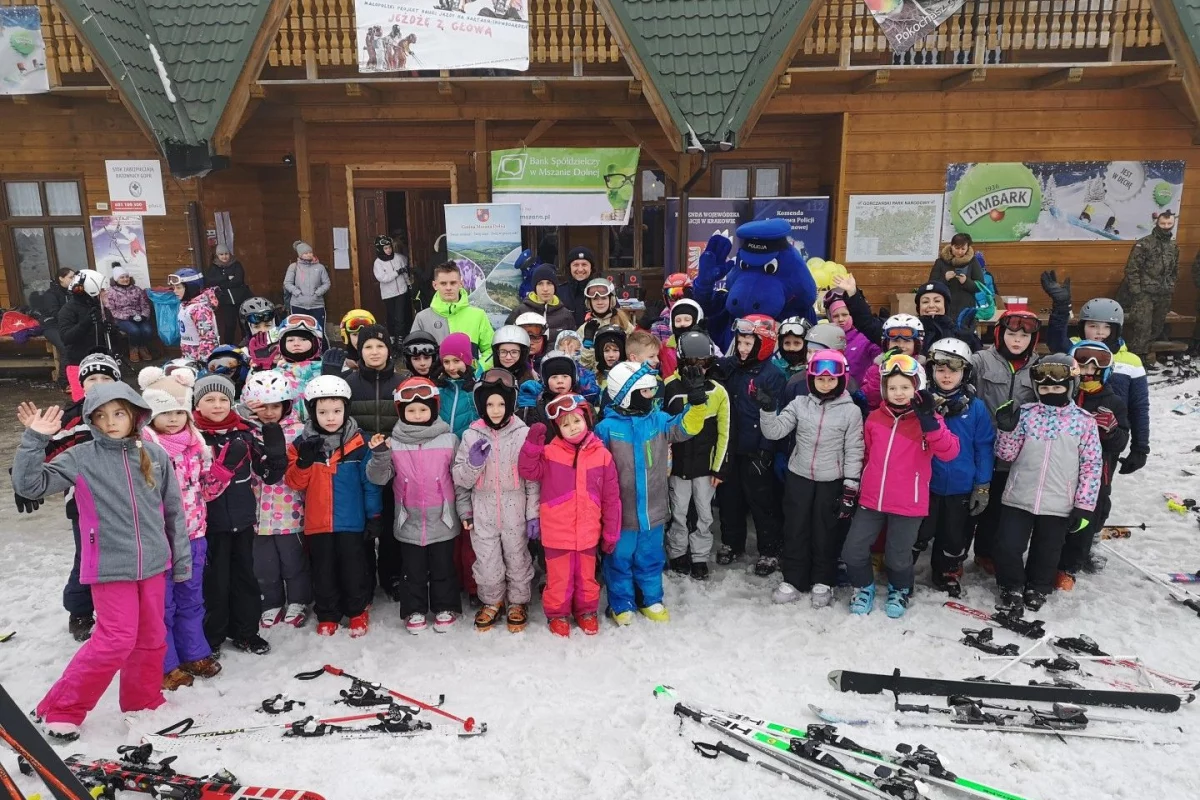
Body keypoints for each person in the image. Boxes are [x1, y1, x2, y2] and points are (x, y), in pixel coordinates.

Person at [12, 382, 189, 740]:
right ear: (91, 421)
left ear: (135, 415)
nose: (111, 422)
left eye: (119, 413)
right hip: (109, 566)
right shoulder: (81, 457)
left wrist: (180, 560)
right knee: (115, 639)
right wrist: (35, 439)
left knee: (152, 637)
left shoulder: (155, 456)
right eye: (102, 415)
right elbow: (30, 485)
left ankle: (143, 702)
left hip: (153, 564)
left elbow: (174, 512)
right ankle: (61, 708)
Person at [841, 354, 959, 617]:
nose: (898, 393)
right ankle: (863, 587)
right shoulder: (874, 418)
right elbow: (867, 455)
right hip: (872, 499)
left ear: (917, 388)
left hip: (909, 502)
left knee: (897, 556)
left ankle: (900, 589)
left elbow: (949, 452)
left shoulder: (929, 421)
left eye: (905, 387)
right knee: (853, 550)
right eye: (892, 387)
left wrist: (929, 421)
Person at [594, 361, 706, 624]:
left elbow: (686, 428)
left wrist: (697, 404)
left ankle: (651, 599)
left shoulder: (657, 420)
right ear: (626, 393)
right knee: (619, 560)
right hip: (621, 515)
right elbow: (597, 472)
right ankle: (621, 603)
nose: (653, 396)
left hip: (653, 511)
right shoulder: (606, 428)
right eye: (646, 392)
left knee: (650, 558)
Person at [137, 366, 226, 692]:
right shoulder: (142, 450)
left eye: (178, 411)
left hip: (194, 535)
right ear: (150, 415)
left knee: (191, 599)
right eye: (164, 412)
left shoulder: (197, 445)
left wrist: (222, 471)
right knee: (163, 605)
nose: (173, 418)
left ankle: (194, 653)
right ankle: (166, 663)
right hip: (159, 540)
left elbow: (208, 491)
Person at [992, 354, 1102, 612]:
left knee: (1048, 550)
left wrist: (1084, 506)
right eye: (1044, 388)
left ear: (1071, 387)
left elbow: (1092, 465)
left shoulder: (1084, 422)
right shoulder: (1027, 414)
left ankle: (1037, 587)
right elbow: (1006, 455)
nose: (1050, 392)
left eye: (1057, 387)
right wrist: (1006, 429)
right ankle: (1011, 585)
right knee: (1008, 545)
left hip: (1059, 501)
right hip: (1020, 495)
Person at [25, 352, 121, 642]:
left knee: (122, 556)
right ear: (81, 384)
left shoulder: (129, 413)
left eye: (107, 377)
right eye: (93, 378)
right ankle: (79, 609)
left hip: (123, 501)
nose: (100, 383)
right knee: (88, 558)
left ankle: (118, 608)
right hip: (84, 504)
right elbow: (49, 453)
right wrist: (26, 479)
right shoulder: (72, 418)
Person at [758, 349, 864, 608]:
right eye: (819, 379)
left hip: (832, 480)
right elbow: (775, 432)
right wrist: (768, 409)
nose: (825, 384)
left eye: (831, 379)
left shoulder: (851, 412)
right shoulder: (799, 404)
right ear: (811, 379)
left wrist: (851, 487)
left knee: (824, 531)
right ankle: (793, 579)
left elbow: (854, 449)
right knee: (796, 528)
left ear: (840, 380)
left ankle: (822, 580)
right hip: (800, 476)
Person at [192, 375, 287, 654]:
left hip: (243, 521)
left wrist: (275, 450)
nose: (218, 405)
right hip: (210, 524)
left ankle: (246, 631)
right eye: (209, 399)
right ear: (197, 404)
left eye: (223, 399)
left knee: (245, 578)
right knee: (215, 583)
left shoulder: (243, 434)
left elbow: (267, 474)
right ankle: (212, 637)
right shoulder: (193, 438)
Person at [366, 377, 466, 633]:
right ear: (402, 412)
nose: (418, 414)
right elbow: (379, 478)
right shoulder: (394, 443)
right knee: (413, 571)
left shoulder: (449, 440)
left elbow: (459, 479)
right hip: (409, 518)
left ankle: (445, 606)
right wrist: (379, 456)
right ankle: (414, 609)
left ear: (433, 409)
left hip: (443, 518)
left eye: (423, 409)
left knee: (443, 567)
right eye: (411, 410)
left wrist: (464, 510)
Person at [286, 375, 383, 637]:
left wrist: (374, 515)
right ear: (312, 412)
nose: (330, 417)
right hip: (318, 523)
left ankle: (357, 610)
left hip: (351, 521)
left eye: (337, 411)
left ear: (346, 410)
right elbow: (295, 483)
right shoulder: (301, 444)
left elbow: (370, 483)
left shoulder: (360, 443)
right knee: (323, 571)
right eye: (323, 411)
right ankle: (327, 613)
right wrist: (304, 462)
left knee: (354, 569)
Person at [518, 395, 621, 637]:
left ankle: (586, 611)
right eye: (565, 424)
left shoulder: (602, 455)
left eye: (576, 421)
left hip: (588, 531)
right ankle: (558, 614)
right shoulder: (550, 453)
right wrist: (533, 444)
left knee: (586, 578)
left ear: (586, 420)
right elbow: (528, 470)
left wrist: (610, 531)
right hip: (556, 532)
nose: (572, 427)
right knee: (559, 579)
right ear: (558, 429)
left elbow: (611, 497)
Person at [453, 369, 538, 632]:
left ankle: (518, 601)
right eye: (490, 404)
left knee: (517, 558)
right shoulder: (471, 436)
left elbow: (532, 480)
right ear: (481, 405)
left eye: (501, 403)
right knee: (487, 561)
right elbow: (460, 480)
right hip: (483, 511)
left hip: (516, 510)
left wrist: (533, 514)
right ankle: (492, 601)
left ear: (511, 404)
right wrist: (473, 464)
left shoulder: (522, 434)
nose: (496, 409)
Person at [1042, 275, 1150, 480]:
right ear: (1083, 327)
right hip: (1068, 438)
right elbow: (1055, 339)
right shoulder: (1073, 350)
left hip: (1107, 438)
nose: (1099, 332)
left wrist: (1140, 447)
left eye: (1107, 327)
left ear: (1116, 329)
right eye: (1093, 325)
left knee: (1097, 492)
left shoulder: (1131, 361)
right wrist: (1061, 306)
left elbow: (1139, 407)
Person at [912, 338, 994, 597]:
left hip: (961, 485)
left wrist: (982, 484)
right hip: (927, 483)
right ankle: (903, 569)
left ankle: (946, 571)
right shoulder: (921, 406)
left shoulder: (976, 408)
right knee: (920, 530)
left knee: (954, 534)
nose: (946, 375)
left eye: (954, 370)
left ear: (965, 373)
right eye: (940, 369)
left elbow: (983, 446)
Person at [969, 309, 1043, 574]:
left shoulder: (1038, 368)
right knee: (974, 503)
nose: (1017, 340)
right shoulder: (981, 360)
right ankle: (960, 552)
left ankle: (987, 552)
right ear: (1000, 334)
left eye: (1024, 336)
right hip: (980, 445)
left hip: (1014, 451)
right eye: (1012, 334)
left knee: (1001, 505)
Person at [714, 315, 787, 574]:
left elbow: (778, 413)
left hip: (757, 447)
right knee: (729, 498)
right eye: (740, 342)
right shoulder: (731, 366)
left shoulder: (772, 374)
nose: (743, 348)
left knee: (761, 501)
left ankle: (770, 550)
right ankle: (732, 542)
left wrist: (766, 450)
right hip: (731, 444)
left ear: (764, 344)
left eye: (748, 343)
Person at [240, 370, 311, 629]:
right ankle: (271, 601)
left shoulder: (297, 432)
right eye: (263, 407)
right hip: (257, 512)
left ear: (286, 405)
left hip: (290, 508)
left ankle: (298, 599)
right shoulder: (247, 433)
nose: (269, 412)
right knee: (264, 565)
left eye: (275, 406)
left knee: (293, 560)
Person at [1057, 341, 1129, 589]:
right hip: (1062, 470)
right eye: (1083, 363)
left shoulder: (1115, 402)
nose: (1089, 370)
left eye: (1096, 365)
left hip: (1097, 476)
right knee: (1057, 518)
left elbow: (1120, 443)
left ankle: (1070, 566)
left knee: (1085, 521)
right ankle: (1049, 560)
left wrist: (1111, 431)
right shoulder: (1062, 394)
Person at [342, 324, 405, 601]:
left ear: (389, 349)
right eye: (368, 346)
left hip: (394, 466)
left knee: (392, 522)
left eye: (380, 346)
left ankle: (392, 575)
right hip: (358, 465)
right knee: (363, 525)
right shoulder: (348, 383)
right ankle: (364, 577)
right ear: (360, 350)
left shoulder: (402, 383)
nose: (375, 351)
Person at [663, 331, 730, 581]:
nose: (698, 369)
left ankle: (700, 556)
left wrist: (719, 467)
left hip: (705, 465)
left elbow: (725, 431)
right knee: (678, 511)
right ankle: (678, 551)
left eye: (703, 364)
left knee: (704, 513)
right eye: (692, 364)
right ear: (681, 362)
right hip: (678, 465)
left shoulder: (718, 392)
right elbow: (663, 428)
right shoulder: (669, 386)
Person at [1115, 210, 1178, 358]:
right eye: (1163, 223)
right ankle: (1138, 358)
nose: (1166, 226)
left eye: (1169, 223)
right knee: (1142, 326)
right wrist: (1136, 291)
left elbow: (1175, 269)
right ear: (1157, 223)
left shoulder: (1173, 246)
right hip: (1144, 293)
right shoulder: (1144, 243)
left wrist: (1171, 285)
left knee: (1157, 326)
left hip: (1163, 293)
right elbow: (1132, 268)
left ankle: (1146, 354)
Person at [411, 262, 494, 366]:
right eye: (443, 283)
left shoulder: (478, 315)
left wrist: (478, 369)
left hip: (470, 380)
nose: (448, 288)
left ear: (461, 283)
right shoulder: (422, 318)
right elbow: (413, 353)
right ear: (435, 285)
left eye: (453, 283)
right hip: (436, 380)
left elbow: (491, 350)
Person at [861, 314, 924, 410]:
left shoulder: (923, 367)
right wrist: (881, 373)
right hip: (884, 417)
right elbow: (870, 399)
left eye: (907, 341)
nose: (901, 346)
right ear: (887, 344)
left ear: (916, 344)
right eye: (896, 341)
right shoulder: (876, 368)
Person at [32, 267, 76, 391]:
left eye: (74, 277)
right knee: (66, 346)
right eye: (70, 277)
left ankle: (82, 377)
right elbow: (55, 313)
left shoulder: (74, 292)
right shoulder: (51, 294)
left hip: (69, 325)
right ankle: (64, 382)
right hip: (52, 326)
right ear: (61, 278)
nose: (74, 280)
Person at [507, 264, 576, 341]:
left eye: (549, 283)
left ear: (555, 286)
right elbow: (508, 339)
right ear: (534, 287)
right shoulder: (520, 311)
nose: (545, 289)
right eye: (540, 284)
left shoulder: (565, 315)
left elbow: (573, 342)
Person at [578, 277, 634, 371]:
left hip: (621, 376)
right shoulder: (584, 329)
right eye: (595, 299)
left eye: (604, 298)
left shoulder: (624, 323)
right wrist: (587, 345)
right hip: (596, 379)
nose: (600, 302)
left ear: (611, 300)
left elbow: (637, 353)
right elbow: (582, 367)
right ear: (589, 303)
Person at [823, 292, 879, 387]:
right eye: (836, 316)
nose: (841, 319)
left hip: (859, 395)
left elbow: (880, 354)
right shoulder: (825, 339)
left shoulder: (866, 338)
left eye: (845, 315)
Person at [58, 269, 109, 368]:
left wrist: (112, 331)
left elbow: (114, 341)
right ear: (91, 290)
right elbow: (66, 338)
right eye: (102, 290)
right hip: (78, 362)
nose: (105, 292)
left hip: (102, 360)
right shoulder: (68, 309)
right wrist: (85, 323)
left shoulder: (100, 307)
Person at [102, 265, 154, 363]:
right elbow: (113, 310)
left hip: (138, 316)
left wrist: (144, 315)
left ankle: (142, 347)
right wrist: (128, 317)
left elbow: (145, 305)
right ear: (116, 279)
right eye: (122, 277)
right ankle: (133, 349)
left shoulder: (137, 289)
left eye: (126, 277)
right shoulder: (111, 292)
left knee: (148, 330)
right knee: (134, 331)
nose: (125, 279)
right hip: (122, 319)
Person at [930, 233, 985, 322]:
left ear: (967, 248)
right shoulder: (940, 262)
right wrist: (945, 279)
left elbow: (980, 285)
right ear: (951, 246)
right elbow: (931, 285)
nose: (960, 252)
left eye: (963, 249)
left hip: (966, 309)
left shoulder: (973, 262)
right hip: (944, 309)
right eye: (957, 248)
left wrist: (966, 282)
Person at [275, 314, 325, 411]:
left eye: (303, 339)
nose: (296, 343)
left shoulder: (327, 369)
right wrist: (259, 370)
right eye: (290, 340)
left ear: (316, 342)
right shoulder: (276, 375)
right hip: (287, 425)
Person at [204, 245, 251, 346]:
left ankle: (248, 345)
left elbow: (238, 280)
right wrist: (226, 277)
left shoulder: (236, 264)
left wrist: (222, 283)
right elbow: (210, 281)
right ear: (217, 256)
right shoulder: (214, 267)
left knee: (244, 324)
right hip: (226, 301)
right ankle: (229, 346)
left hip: (241, 299)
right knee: (230, 325)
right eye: (221, 254)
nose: (224, 256)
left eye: (226, 254)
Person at [170, 268, 219, 363]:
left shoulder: (199, 309)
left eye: (179, 287)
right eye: (174, 287)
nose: (174, 291)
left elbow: (208, 339)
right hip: (189, 356)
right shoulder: (184, 306)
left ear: (191, 288)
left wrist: (203, 363)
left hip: (200, 360)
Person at [284, 241, 331, 332]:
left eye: (310, 252)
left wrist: (318, 293)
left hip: (317, 305)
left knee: (319, 331)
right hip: (298, 304)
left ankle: (322, 346)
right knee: (300, 331)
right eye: (306, 253)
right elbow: (287, 283)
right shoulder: (294, 267)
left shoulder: (320, 267)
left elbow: (327, 283)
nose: (309, 255)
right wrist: (297, 293)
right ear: (300, 255)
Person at [372, 235, 411, 343]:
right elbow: (383, 278)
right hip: (388, 293)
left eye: (389, 247)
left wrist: (408, 283)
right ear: (380, 249)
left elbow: (405, 271)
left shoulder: (399, 257)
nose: (388, 250)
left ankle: (400, 340)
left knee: (400, 317)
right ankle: (392, 336)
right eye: (385, 248)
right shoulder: (378, 263)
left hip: (401, 291)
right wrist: (396, 272)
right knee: (392, 316)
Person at [657, 298, 706, 379]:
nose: (682, 324)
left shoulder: (706, 344)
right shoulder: (665, 346)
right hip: (670, 389)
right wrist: (643, 328)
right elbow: (640, 352)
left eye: (687, 320)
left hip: (697, 388)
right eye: (678, 320)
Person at [322, 309, 377, 375]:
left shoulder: (383, 359)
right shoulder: (336, 363)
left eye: (365, 334)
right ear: (346, 336)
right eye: (355, 334)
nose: (360, 339)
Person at [558, 247, 597, 328]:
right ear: (570, 268)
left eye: (584, 264)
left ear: (591, 268)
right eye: (576, 265)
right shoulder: (559, 292)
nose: (580, 269)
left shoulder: (602, 290)